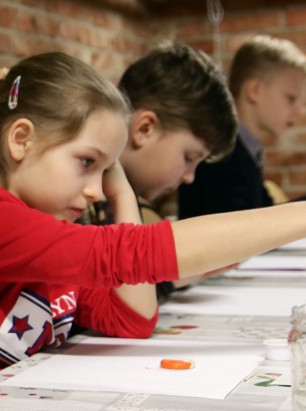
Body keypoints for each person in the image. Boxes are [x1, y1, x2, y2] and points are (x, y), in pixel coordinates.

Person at [0, 51, 306, 389]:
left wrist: (123, 193)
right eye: (86, 162)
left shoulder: (54, 234)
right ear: (21, 140)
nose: (97, 189)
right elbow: (132, 256)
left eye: (106, 170)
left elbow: (133, 319)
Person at [91, 42, 239, 301]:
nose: (189, 176)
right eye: (188, 157)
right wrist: (164, 276)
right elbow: (83, 302)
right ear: (145, 129)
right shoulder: (80, 194)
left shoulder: (121, 197)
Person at [177, 35, 306, 218]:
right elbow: (241, 229)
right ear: (254, 91)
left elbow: (265, 214)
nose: (300, 111)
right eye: (291, 98)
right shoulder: (221, 153)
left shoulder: (246, 148)